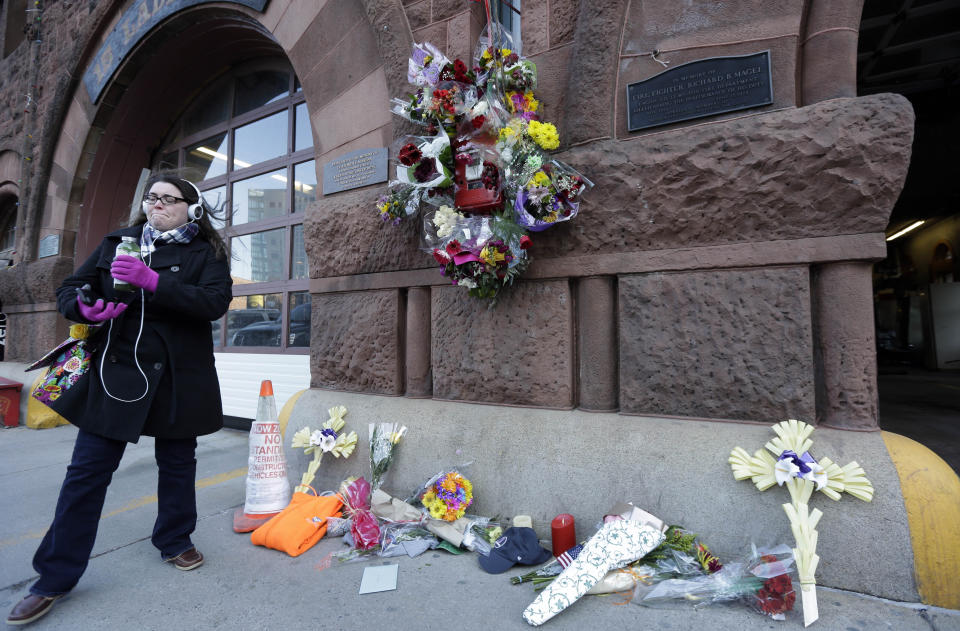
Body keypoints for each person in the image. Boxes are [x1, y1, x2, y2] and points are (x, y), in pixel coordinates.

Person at [6, 174, 232, 626]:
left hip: (177, 378)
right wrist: (84, 306)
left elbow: (214, 303)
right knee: (86, 475)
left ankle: (174, 539)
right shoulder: (118, 242)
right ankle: (53, 577)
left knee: (177, 464)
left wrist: (153, 281)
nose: (157, 205)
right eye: (152, 197)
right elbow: (70, 287)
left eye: (170, 199)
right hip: (117, 373)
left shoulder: (204, 253)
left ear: (193, 207)